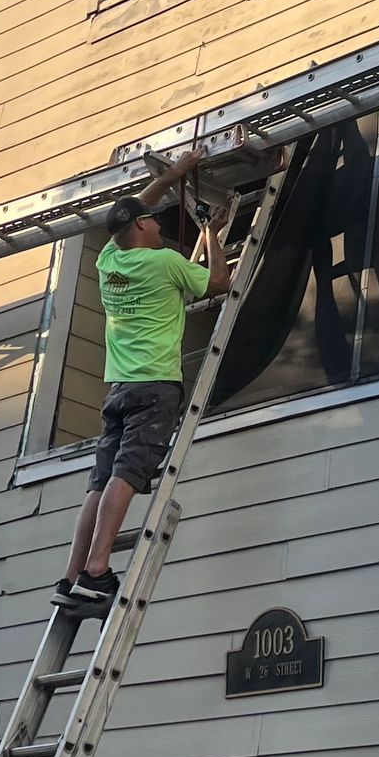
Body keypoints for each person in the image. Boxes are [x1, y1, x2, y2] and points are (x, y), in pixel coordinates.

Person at [53, 151, 230, 611]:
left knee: (100, 482)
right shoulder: (164, 262)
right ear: (144, 229)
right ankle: (96, 572)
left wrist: (172, 177)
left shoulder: (110, 261)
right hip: (155, 387)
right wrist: (211, 229)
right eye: (152, 218)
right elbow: (219, 283)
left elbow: (126, 213)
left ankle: (71, 577)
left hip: (119, 390)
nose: (156, 219)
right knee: (128, 476)